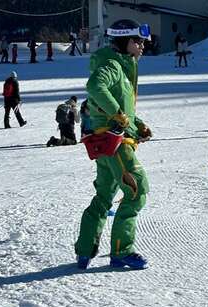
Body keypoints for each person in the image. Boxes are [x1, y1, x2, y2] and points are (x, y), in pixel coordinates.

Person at [75, 19, 153, 270]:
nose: (142, 46)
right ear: (125, 41)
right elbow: (95, 87)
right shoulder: (112, 65)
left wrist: (137, 123)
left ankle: (85, 250)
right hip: (114, 141)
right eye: (138, 41)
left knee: (104, 196)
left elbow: (121, 109)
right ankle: (122, 251)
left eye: (143, 42)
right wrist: (118, 114)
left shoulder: (121, 65)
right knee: (136, 190)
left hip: (110, 140)